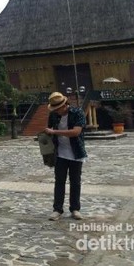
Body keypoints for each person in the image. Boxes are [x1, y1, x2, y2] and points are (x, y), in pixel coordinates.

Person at [44, 91, 87, 221]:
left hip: (76, 152)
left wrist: (54, 132)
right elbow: (49, 130)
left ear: (64, 105)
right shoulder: (53, 115)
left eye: (58, 108)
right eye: (54, 109)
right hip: (60, 153)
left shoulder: (77, 112)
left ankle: (75, 209)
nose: (56, 111)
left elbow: (76, 132)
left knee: (75, 182)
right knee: (59, 181)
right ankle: (57, 209)